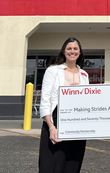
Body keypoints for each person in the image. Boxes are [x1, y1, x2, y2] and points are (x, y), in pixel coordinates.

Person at [38, 37, 89, 173]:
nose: (72, 51)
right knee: (51, 166)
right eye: (69, 48)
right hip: (56, 122)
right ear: (64, 51)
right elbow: (45, 100)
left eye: (75, 48)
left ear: (79, 52)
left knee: (72, 166)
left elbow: (87, 101)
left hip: (77, 125)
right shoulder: (53, 71)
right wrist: (51, 127)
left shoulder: (84, 74)